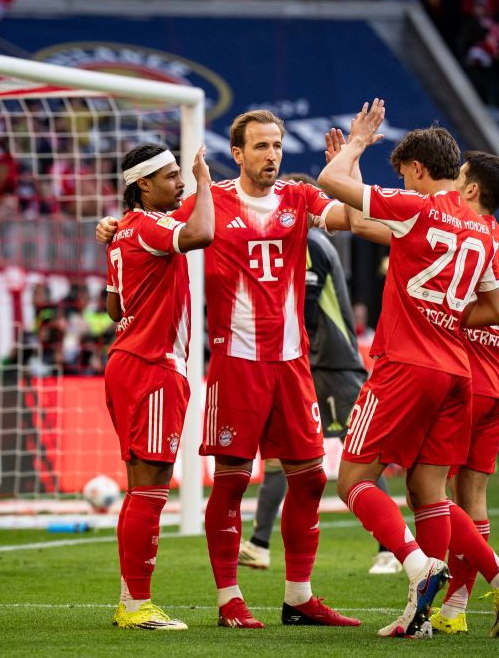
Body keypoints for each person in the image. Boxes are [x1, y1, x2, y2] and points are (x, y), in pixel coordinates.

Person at [97, 110, 360, 629]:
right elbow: (178, 229)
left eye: (277, 145)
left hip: (290, 362)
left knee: (309, 478)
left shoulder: (298, 196)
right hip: (225, 363)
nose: (272, 154)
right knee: (214, 483)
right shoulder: (205, 202)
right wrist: (130, 217)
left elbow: (357, 220)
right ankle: (221, 600)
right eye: (260, 145)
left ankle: (299, 597)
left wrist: (347, 165)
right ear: (237, 153)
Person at [318, 101, 499, 639]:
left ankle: (419, 565)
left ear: (417, 169)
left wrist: (355, 145)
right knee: (429, 492)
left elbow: (331, 185)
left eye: (404, 174)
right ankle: (451, 602)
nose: (403, 182)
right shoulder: (483, 231)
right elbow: (498, 311)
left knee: (353, 480)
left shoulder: (416, 207)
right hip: (459, 372)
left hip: (406, 365)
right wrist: (447, 315)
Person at [237, 174, 401, 577]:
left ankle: (392, 549)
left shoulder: (310, 242)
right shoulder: (301, 242)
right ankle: (259, 544)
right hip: (306, 363)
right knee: (281, 453)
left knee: (358, 457)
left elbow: (307, 311)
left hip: (330, 363)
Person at [104, 142, 215, 630]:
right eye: (171, 176)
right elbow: (202, 232)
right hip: (153, 365)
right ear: (143, 185)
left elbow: (113, 309)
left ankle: (130, 600)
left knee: (139, 488)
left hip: (128, 361)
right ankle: (136, 606)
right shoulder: (150, 226)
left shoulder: (124, 232)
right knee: (150, 488)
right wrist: (205, 181)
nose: (181, 182)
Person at [426, 151, 499, 635]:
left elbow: (447, 305)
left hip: (463, 377)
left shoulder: (462, 234)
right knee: (473, 497)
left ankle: (494, 580)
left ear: (471, 189)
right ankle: (454, 611)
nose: (453, 182)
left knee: (429, 491)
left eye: (460, 176)